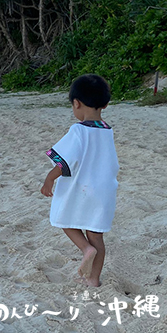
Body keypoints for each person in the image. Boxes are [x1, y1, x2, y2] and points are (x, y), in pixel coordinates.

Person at [40, 74, 119, 287]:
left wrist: (49, 179)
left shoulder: (78, 130)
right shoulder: (107, 130)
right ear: (105, 104)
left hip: (82, 190)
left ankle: (85, 249)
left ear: (77, 103)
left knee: (64, 220)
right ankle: (93, 280)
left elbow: (64, 160)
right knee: (97, 237)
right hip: (103, 191)